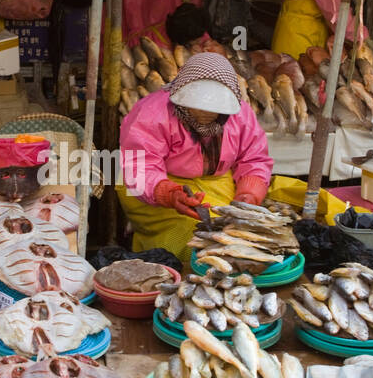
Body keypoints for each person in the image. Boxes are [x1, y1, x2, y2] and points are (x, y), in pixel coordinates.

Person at [116, 51, 307, 259]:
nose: (205, 113)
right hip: (155, 186)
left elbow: (254, 158)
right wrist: (169, 194)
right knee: (197, 238)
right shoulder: (151, 113)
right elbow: (140, 167)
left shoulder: (239, 113)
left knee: (232, 231)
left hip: (215, 181)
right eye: (197, 106)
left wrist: (248, 195)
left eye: (214, 108)